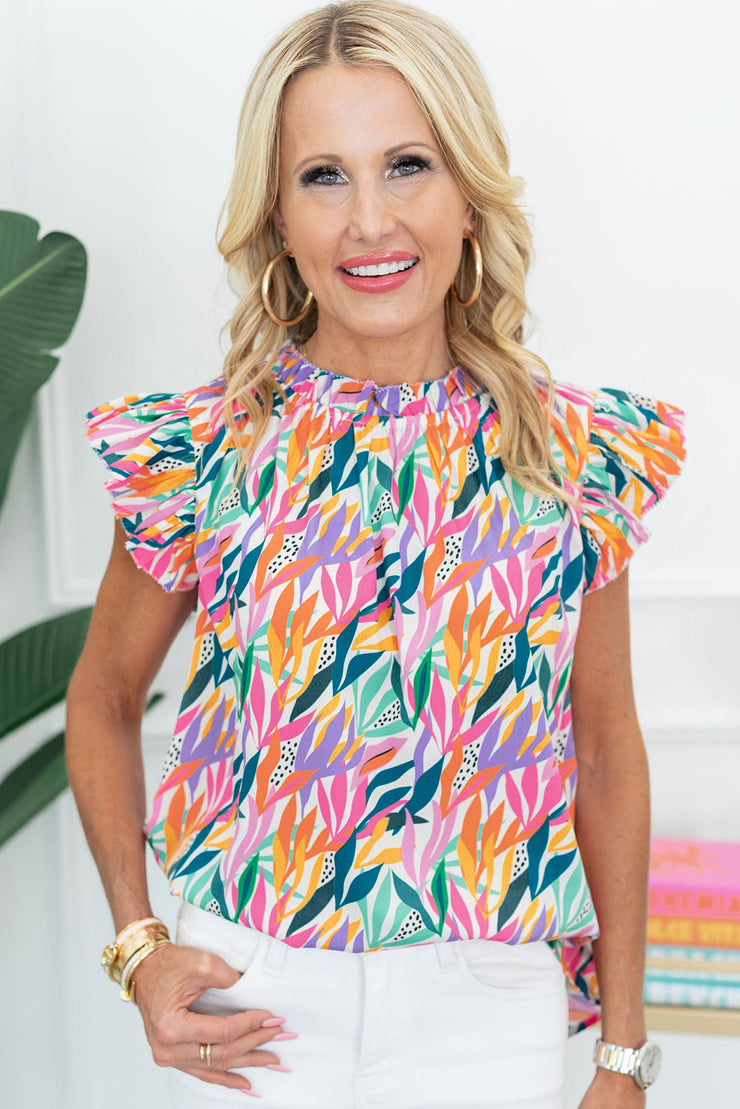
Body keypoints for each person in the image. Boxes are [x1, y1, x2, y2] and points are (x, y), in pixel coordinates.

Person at [66, 2, 686, 1107]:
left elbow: (604, 753)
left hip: (491, 1005)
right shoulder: (201, 451)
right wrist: (137, 946)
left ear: (467, 192)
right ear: (277, 216)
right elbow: (103, 695)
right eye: (323, 177)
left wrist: (622, 1051)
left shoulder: (569, 456)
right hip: (250, 1000)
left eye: (407, 165)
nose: (369, 221)